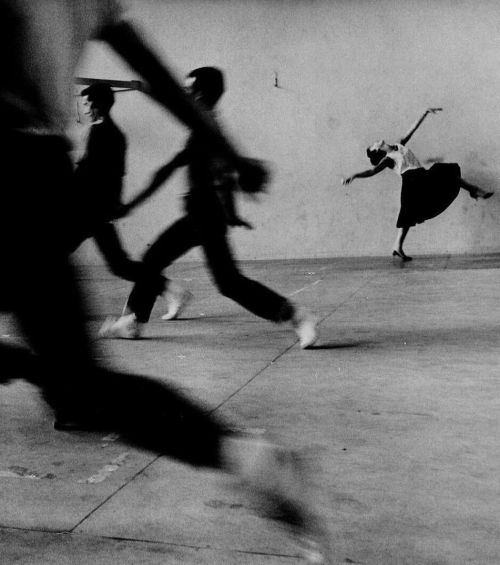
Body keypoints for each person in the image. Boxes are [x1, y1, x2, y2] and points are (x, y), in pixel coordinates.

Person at [0, 2, 329, 561]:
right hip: (36, 175)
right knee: (82, 386)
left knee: (204, 283)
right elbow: (157, 78)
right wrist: (229, 151)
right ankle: (247, 457)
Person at [99, 67, 319, 349]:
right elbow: (224, 175)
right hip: (199, 214)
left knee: (228, 282)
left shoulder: (205, 130)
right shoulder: (207, 125)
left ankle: (299, 317)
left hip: (205, 215)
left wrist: (131, 205)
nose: (187, 93)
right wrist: (232, 213)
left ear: (203, 93)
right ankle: (132, 321)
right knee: (153, 259)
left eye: (192, 89)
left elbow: (168, 170)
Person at [342, 108, 494, 261]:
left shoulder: (399, 145)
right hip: (411, 183)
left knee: (448, 174)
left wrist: (425, 113)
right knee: (408, 216)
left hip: (422, 176)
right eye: (373, 145)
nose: (376, 142)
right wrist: (354, 176)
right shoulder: (388, 159)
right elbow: (372, 171)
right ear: (377, 150)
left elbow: (413, 129)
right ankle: (397, 246)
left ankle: (474, 190)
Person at [68, 83, 162, 288]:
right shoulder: (111, 133)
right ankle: (168, 288)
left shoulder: (102, 134)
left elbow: (91, 173)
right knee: (119, 264)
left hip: (90, 208)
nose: (83, 109)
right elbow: (117, 174)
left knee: (117, 264)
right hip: (96, 208)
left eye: (86, 103)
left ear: (97, 105)